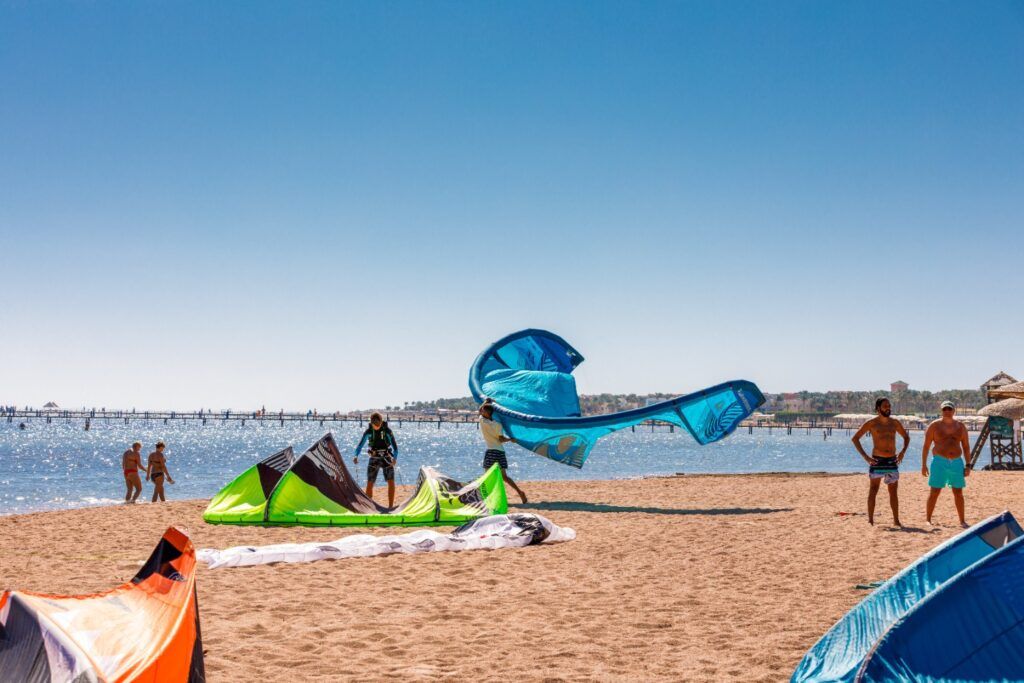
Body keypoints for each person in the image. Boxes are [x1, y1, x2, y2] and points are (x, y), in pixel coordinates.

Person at [851, 397, 908, 527]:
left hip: (892, 461)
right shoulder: (872, 423)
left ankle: (896, 520)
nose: (888, 408)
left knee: (893, 491)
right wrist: (866, 457)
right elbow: (855, 438)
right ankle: (870, 520)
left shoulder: (895, 423)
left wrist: (903, 451)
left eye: (889, 405)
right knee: (873, 489)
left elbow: (906, 437)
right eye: (885, 406)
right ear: (878, 409)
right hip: (877, 460)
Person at [922, 400, 972, 527]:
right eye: (945, 409)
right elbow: (926, 446)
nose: (947, 411)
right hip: (939, 461)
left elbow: (966, 447)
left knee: (958, 492)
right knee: (934, 491)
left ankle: (962, 520)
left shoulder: (960, 426)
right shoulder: (934, 426)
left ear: (954, 411)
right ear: (941, 411)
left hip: (956, 462)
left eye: (949, 409)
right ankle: (928, 519)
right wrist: (923, 464)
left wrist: (968, 465)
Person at [479, 400, 528, 504]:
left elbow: (479, 410)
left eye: (483, 411)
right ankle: (520, 493)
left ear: (487, 413)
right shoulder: (497, 424)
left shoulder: (482, 420)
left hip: (491, 451)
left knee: (487, 476)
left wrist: (486, 401)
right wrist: (510, 439)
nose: (481, 412)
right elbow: (501, 440)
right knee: (504, 477)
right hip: (500, 451)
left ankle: (487, 499)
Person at [353, 412, 399, 507]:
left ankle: (390, 506)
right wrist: (356, 456)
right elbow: (360, 446)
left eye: (378, 425)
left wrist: (394, 459)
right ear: (371, 423)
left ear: (381, 422)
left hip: (387, 458)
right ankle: (369, 507)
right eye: (375, 425)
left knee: (391, 481)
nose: (377, 427)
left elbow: (395, 448)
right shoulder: (368, 432)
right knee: (370, 483)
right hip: (374, 458)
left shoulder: (387, 431)